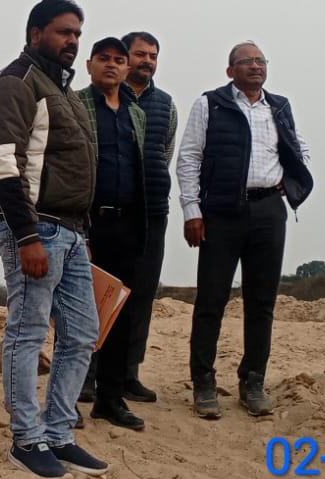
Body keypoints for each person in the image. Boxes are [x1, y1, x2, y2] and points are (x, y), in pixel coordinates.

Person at [0, 0, 107, 479]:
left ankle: (57, 433)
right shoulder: (16, 83)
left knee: (82, 334)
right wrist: (26, 235)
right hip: (37, 228)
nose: (72, 41)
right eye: (63, 32)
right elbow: (2, 165)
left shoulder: (64, 90)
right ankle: (26, 439)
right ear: (35, 34)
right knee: (28, 331)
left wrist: (81, 233)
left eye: (77, 33)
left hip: (70, 232)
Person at [176, 41, 312, 420]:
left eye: (260, 60)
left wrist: (290, 182)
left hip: (269, 210)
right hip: (221, 212)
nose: (255, 66)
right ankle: (203, 382)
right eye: (247, 61)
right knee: (211, 299)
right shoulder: (210, 104)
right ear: (230, 70)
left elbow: (298, 148)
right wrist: (191, 210)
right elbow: (189, 157)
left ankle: (253, 381)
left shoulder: (279, 106)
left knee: (262, 302)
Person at [77, 36, 148, 431]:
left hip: (128, 224)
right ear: (89, 64)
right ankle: (69, 396)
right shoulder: (75, 105)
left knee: (121, 313)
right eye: (103, 58)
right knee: (78, 313)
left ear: (126, 68)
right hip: (87, 224)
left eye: (119, 60)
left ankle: (110, 398)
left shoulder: (136, 113)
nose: (112, 65)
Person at [118, 30, 177, 403]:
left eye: (153, 55)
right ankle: (90, 373)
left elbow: (165, 152)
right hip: (111, 212)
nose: (148, 61)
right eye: (141, 54)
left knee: (142, 297)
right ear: (125, 57)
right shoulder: (104, 97)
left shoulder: (166, 104)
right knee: (102, 295)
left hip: (152, 212)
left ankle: (129, 374)